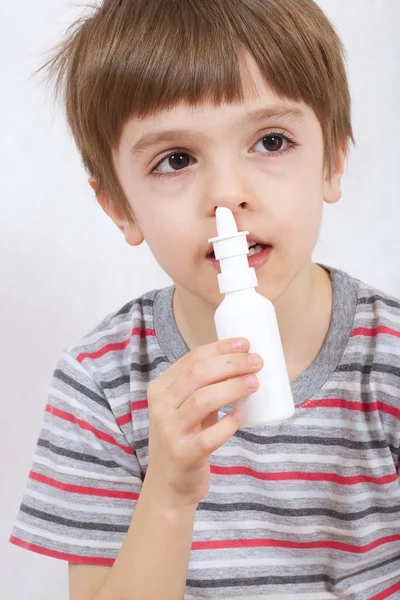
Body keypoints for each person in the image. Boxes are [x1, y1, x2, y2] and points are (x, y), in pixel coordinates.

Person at [10, 0, 400, 598]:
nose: (226, 195)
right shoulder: (101, 383)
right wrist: (167, 492)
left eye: (271, 141)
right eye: (176, 159)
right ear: (119, 206)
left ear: (333, 159)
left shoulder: (389, 359)